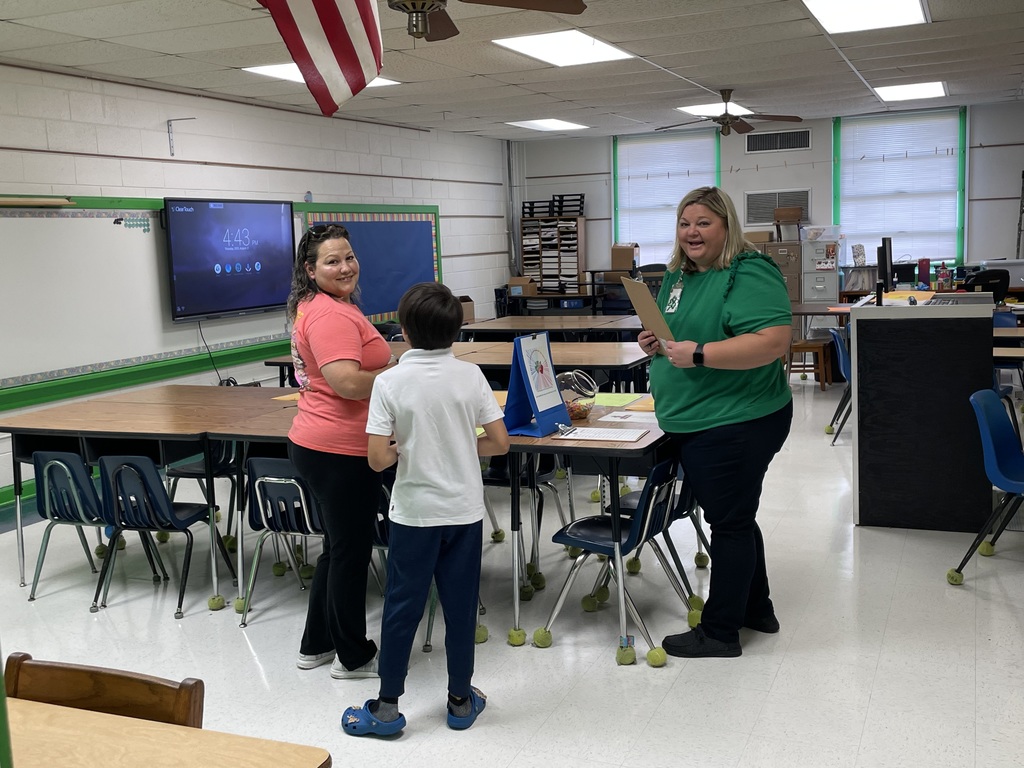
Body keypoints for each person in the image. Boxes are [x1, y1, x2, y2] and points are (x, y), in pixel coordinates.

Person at [342, 281, 509, 736]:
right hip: (463, 512)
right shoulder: (470, 376)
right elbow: (499, 442)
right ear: (457, 331)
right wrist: (458, 444)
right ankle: (459, 701)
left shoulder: (390, 381)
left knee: (402, 607)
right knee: (459, 609)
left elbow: (378, 458)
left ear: (403, 331)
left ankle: (387, 708)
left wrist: (407, 448)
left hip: (414, 513)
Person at [636, 186, 793, 658]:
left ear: (726, 226)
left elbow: (773, 341)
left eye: (704, 222)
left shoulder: (747, 272)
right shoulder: (678, 276)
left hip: (736, 419)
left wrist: (699, 353)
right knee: (736, 517)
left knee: (728, 524)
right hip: (696, 418)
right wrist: (657, 342)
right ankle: (756, 610)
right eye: (685, 223)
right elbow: (677, 332)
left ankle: (721, 632)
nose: (692, 232)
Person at [286, 223, 394, 679]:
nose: (345, 267)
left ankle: (317, 644)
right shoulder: (330, 315)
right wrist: (398, 376)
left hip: (321, 442)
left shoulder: (323, 305)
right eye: (332, 261)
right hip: (340, 449)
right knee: (349, 553)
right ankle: (353, 657)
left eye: (348, 257)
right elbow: (347, 382)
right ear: (311, 271)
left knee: (337, 549)